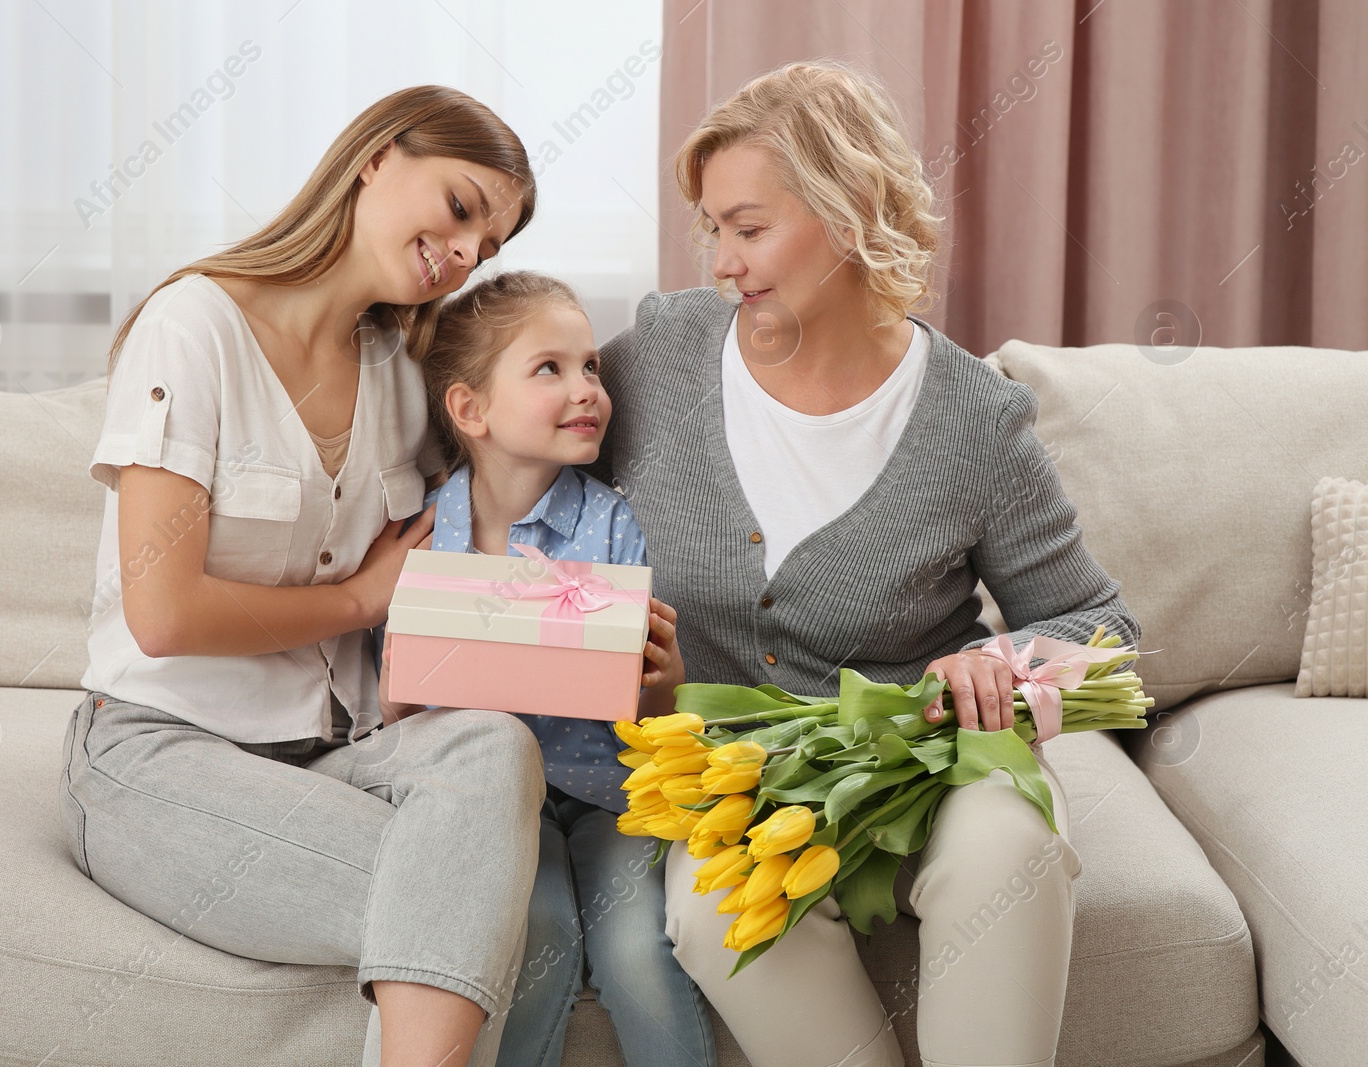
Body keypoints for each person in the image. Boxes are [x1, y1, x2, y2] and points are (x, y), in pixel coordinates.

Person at [586, 61, 1140, 1067]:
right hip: (737, 776)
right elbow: (526, 458)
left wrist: (1003, 668)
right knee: (716, 915)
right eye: (711, 229)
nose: (721, 260)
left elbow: (1103, 628)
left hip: (930, 756)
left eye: (747, 228)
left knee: (1009, 854)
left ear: (848, 213)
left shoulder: (976, 419)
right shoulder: (662, 355)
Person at [57, 85, 547, 1067]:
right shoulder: (191, 326)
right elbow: (162, 611)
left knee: (492, 748)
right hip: (155, 753)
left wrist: (594, 625)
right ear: (375, 158)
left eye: (485, 246)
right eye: (458, 208)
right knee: (470, 902)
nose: (462, 253)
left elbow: (451, 571)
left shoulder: (401, 377)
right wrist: (362, 597)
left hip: (331, 756)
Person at [378, 270, 716, 1067]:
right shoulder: (426, 537)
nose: (587, 388)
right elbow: (398, 716)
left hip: (607, 796)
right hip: (495, 809)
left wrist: (664, 683)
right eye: (550, 369)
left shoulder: (614, 521)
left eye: (591, 366)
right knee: (538, 941)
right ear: (470, 409)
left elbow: (648, 712)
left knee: (637, 951)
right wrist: (401, 679)